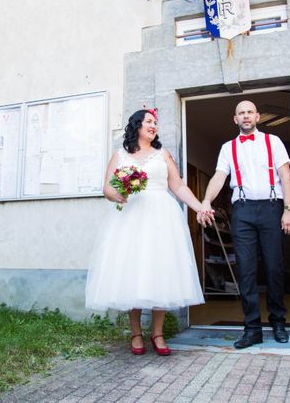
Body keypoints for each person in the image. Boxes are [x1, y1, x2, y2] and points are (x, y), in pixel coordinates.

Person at [86, 109, 205, 355]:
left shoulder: (163, 154)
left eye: (155, 123)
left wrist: (199, 207)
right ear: (137, 125)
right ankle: (136, 333)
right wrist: (118, 194)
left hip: (162, 217)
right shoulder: (120, 155)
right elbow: (107, 187)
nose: (153, 126)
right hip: (131, 218)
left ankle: (158, 334)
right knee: (133, 271)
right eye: (149, 122)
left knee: (161, 269)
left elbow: (178, 186)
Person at [198, 100, 290, 348]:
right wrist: (206, 200)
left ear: (257, 117)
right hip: (242, 210)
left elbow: (285, 175)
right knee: (246, 269)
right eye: (241, 113)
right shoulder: (227, 148)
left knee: (274, 267)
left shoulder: (273, 141)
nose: (246, 116)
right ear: (235, 119)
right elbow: (220, 176)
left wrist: (288, 209)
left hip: (272, 207)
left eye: (250, 112)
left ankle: (278, 323)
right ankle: (252, 328)